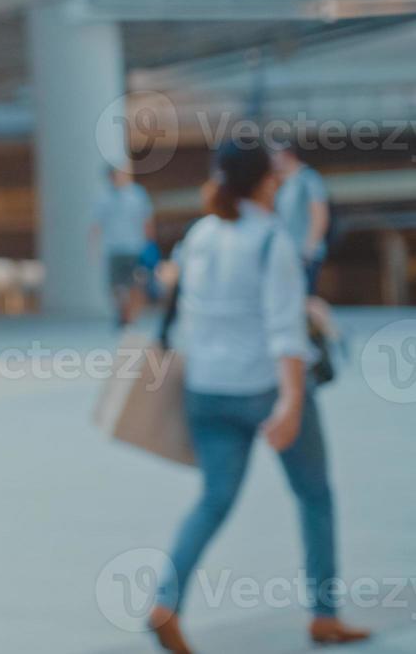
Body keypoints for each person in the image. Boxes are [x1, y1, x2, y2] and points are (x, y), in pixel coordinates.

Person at [148, 137, 370, 653]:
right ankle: (324, 614)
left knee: (213, 500)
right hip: (265, 388)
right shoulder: (272, 240)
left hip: (206, 387)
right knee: (314, 494)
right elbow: (283, 332)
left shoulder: (200, 233)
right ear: (267, 181)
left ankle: (165, 601)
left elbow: (174, 296)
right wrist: (291, 402)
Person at [93, 165, 155, 328]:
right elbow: (97, 226)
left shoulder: (136, 194)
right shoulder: (104, 198)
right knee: (115, 286)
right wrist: (95, 248)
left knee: (135, 285)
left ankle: (130, 317)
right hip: (113, 248)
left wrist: (150, 244)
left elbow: (147, 221)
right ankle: (123, 313)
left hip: (134, 247)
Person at [271, 140, 331, 295]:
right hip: (290, 253)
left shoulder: (307, 179)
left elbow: (320, 214)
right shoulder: (282, 182)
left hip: (305, 253)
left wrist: (309, 249)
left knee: (306, 298)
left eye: (274, 154)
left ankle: (325, 320)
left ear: (287, 155)